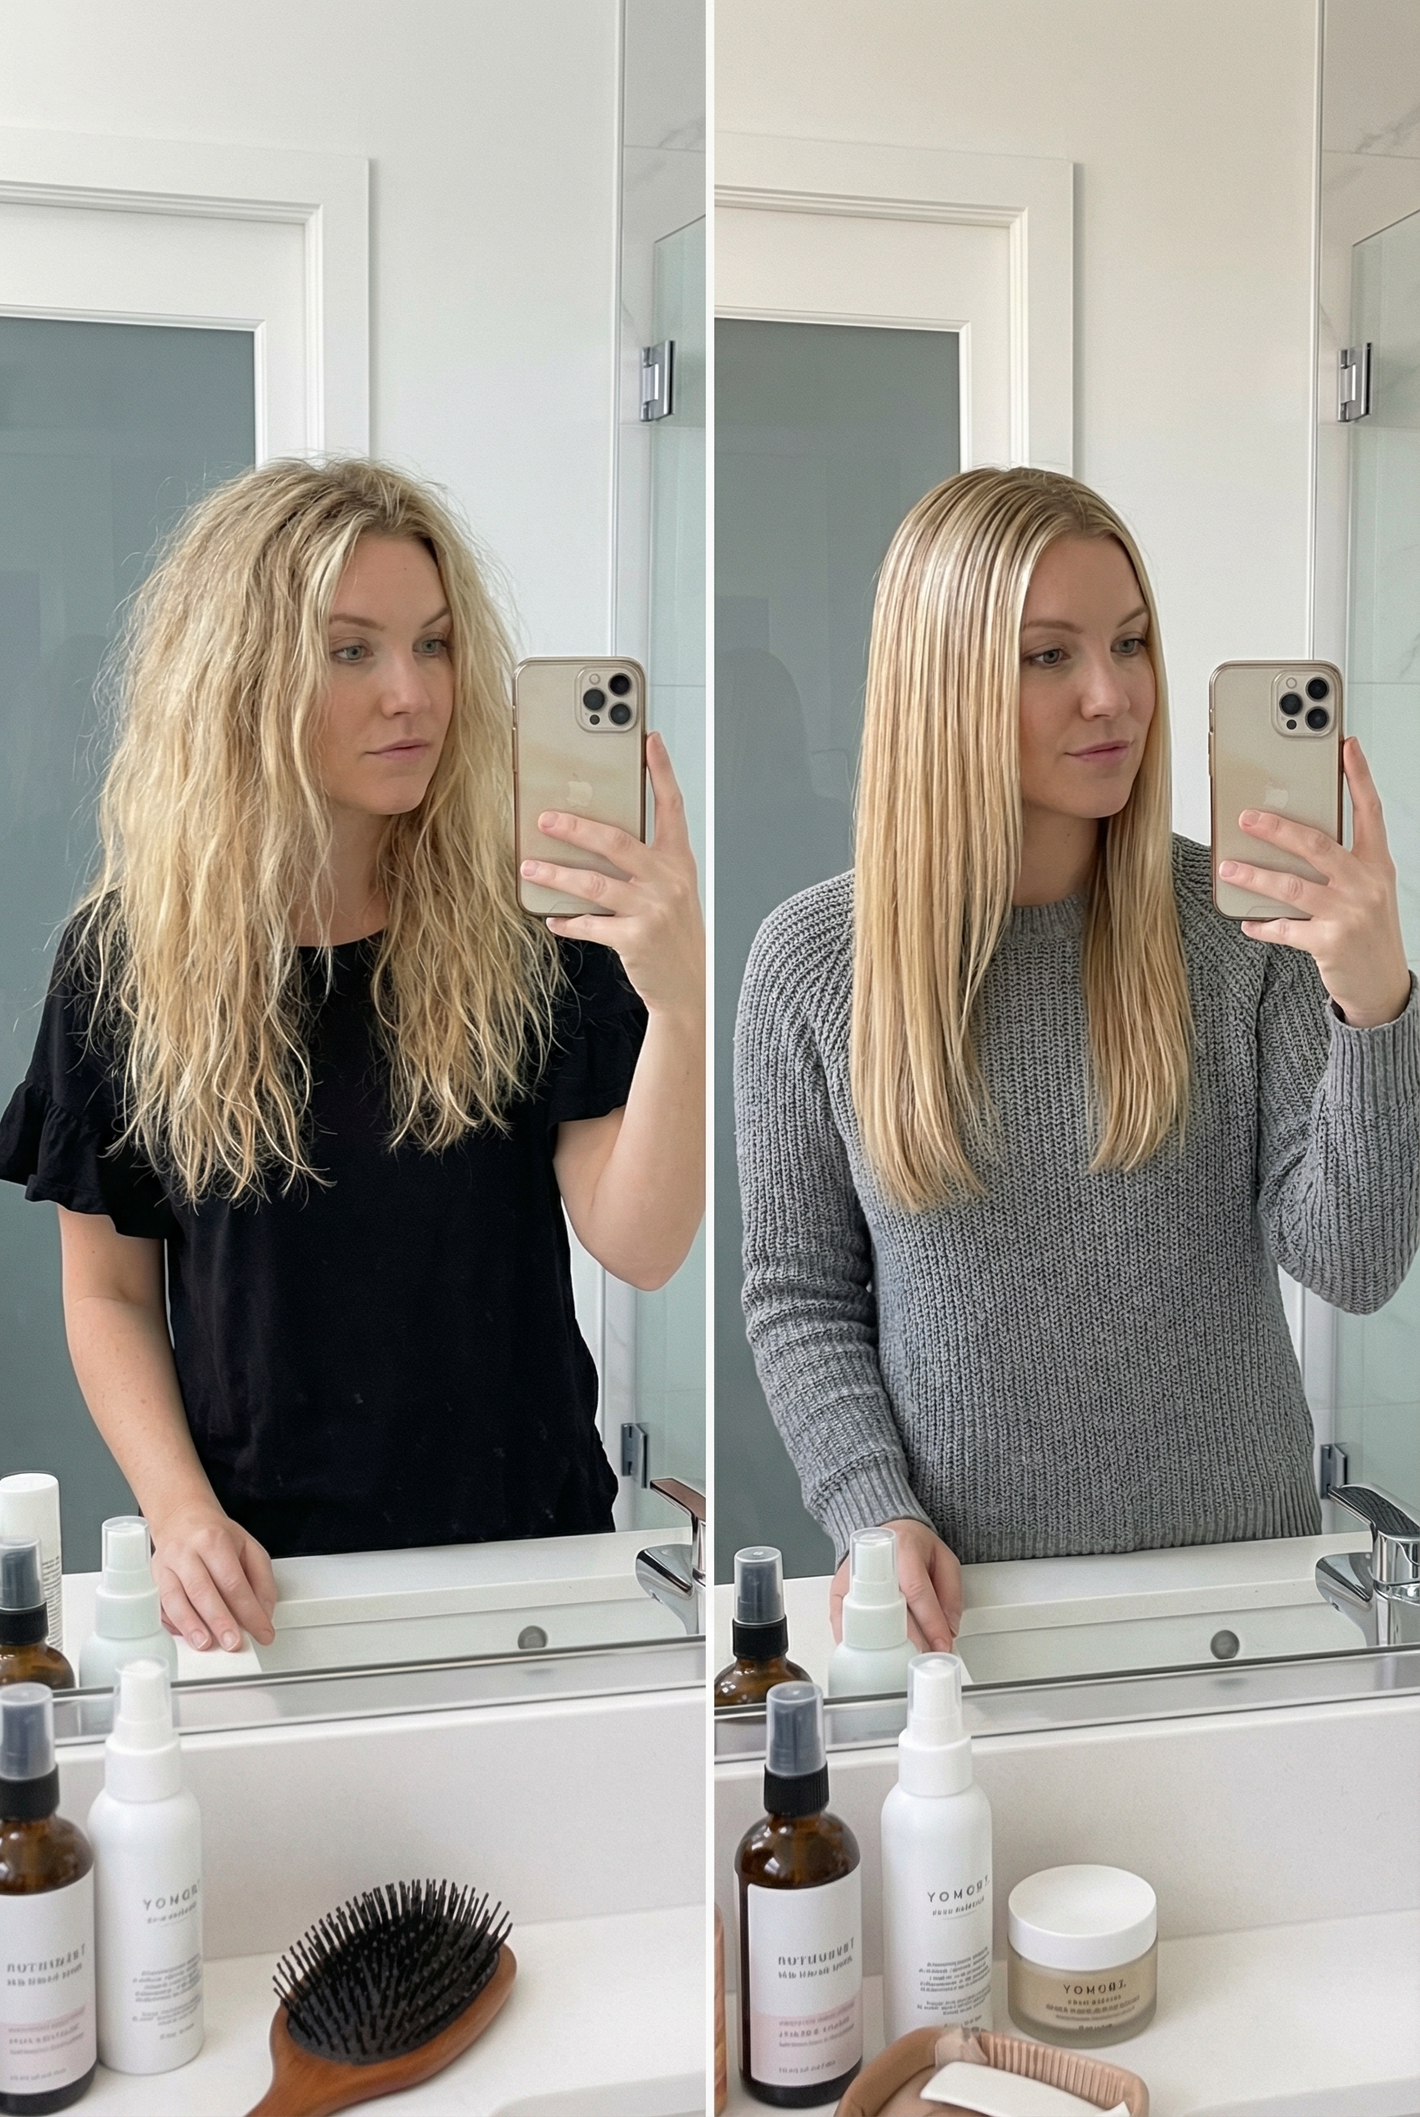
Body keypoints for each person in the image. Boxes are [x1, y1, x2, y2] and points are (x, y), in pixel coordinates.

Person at [0, 459, 704, 1655]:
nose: (411, 693)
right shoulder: (127, 961)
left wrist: (679, 1003)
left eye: (433, 646)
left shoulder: (531, 925)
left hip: (530, 1561)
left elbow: (639, 1244)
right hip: (266, 1589)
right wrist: (179, 1515)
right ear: (243, 675)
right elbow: (108, 1291)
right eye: (353, 650)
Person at [734, 466, 1419, 1655]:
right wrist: (870, 1508)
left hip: (1242, 1597)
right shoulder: (811, 962)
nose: (1111, 694)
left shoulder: (1236, 927)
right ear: (941, 679)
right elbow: (798, 1296)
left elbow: (1352, 1264)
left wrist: (1376, 1004)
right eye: (1046, 655)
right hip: (967, 1611)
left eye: (1131, 642)